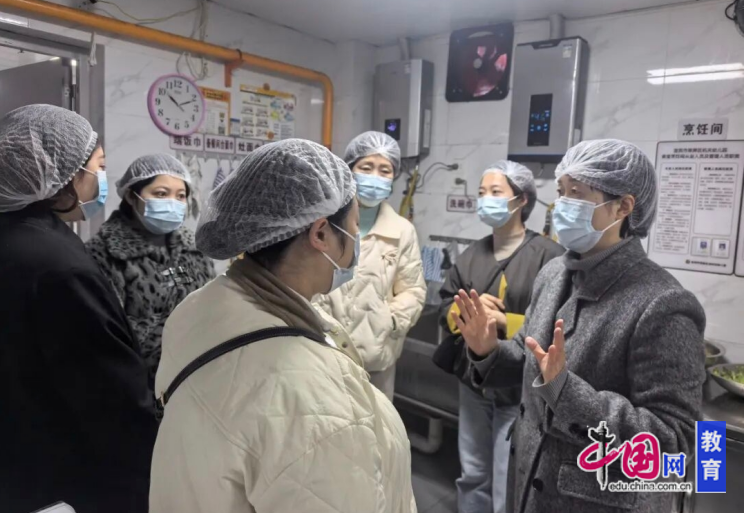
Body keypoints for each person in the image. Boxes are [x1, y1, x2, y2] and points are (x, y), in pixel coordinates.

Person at [150, 139, 416, 513]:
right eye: (354, 227)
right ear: (320, 234)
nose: (357, 242)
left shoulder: (197, 309)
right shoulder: (317, 397)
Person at [452, 139, 706, 513]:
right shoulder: (554, 273)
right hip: (529, 488)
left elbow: (676, 440)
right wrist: (487, 351)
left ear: (623, 207)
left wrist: (567, 392)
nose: (562, 204)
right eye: (561, 191)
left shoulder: (662, 302)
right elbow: (528, 355)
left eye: (577, 193)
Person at [0, 104, 158, 513]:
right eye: (98, 167)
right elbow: (109, 393)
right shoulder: (58, 265)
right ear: (66, 174)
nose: (100, 179)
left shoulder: (22, 240)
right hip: (67, 476)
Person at [438, 160, 563, 513]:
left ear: (522, 200)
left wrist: (505, 322)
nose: (485, 199)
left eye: (496, 192)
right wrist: (467, 313)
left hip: (519, 386)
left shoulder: (550, 258)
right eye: (482, 193)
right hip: (473, 382)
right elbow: (445, 305)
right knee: (473, 472)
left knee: (508, 478)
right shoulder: (471, 255)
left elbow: (561, 322)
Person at [86, 153, 215, 388]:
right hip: (134, 388)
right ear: (131, 196)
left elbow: (213, 308)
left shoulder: (194, 249)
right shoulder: (105, 253)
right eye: (161, 194)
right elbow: (106, 335)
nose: (173, 203)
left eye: (181, 196)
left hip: (195, 381)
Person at [314, 131, 426, 400]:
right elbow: (305, 277)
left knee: (376, 423)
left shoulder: (402, 231)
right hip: (323, 352)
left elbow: (413, 290)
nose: (375, 176)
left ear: (393, 176)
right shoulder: (323, 222)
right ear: (350, 170)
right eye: (366, 168)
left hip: (376, 361)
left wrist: (388, 321)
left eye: (384, 170)